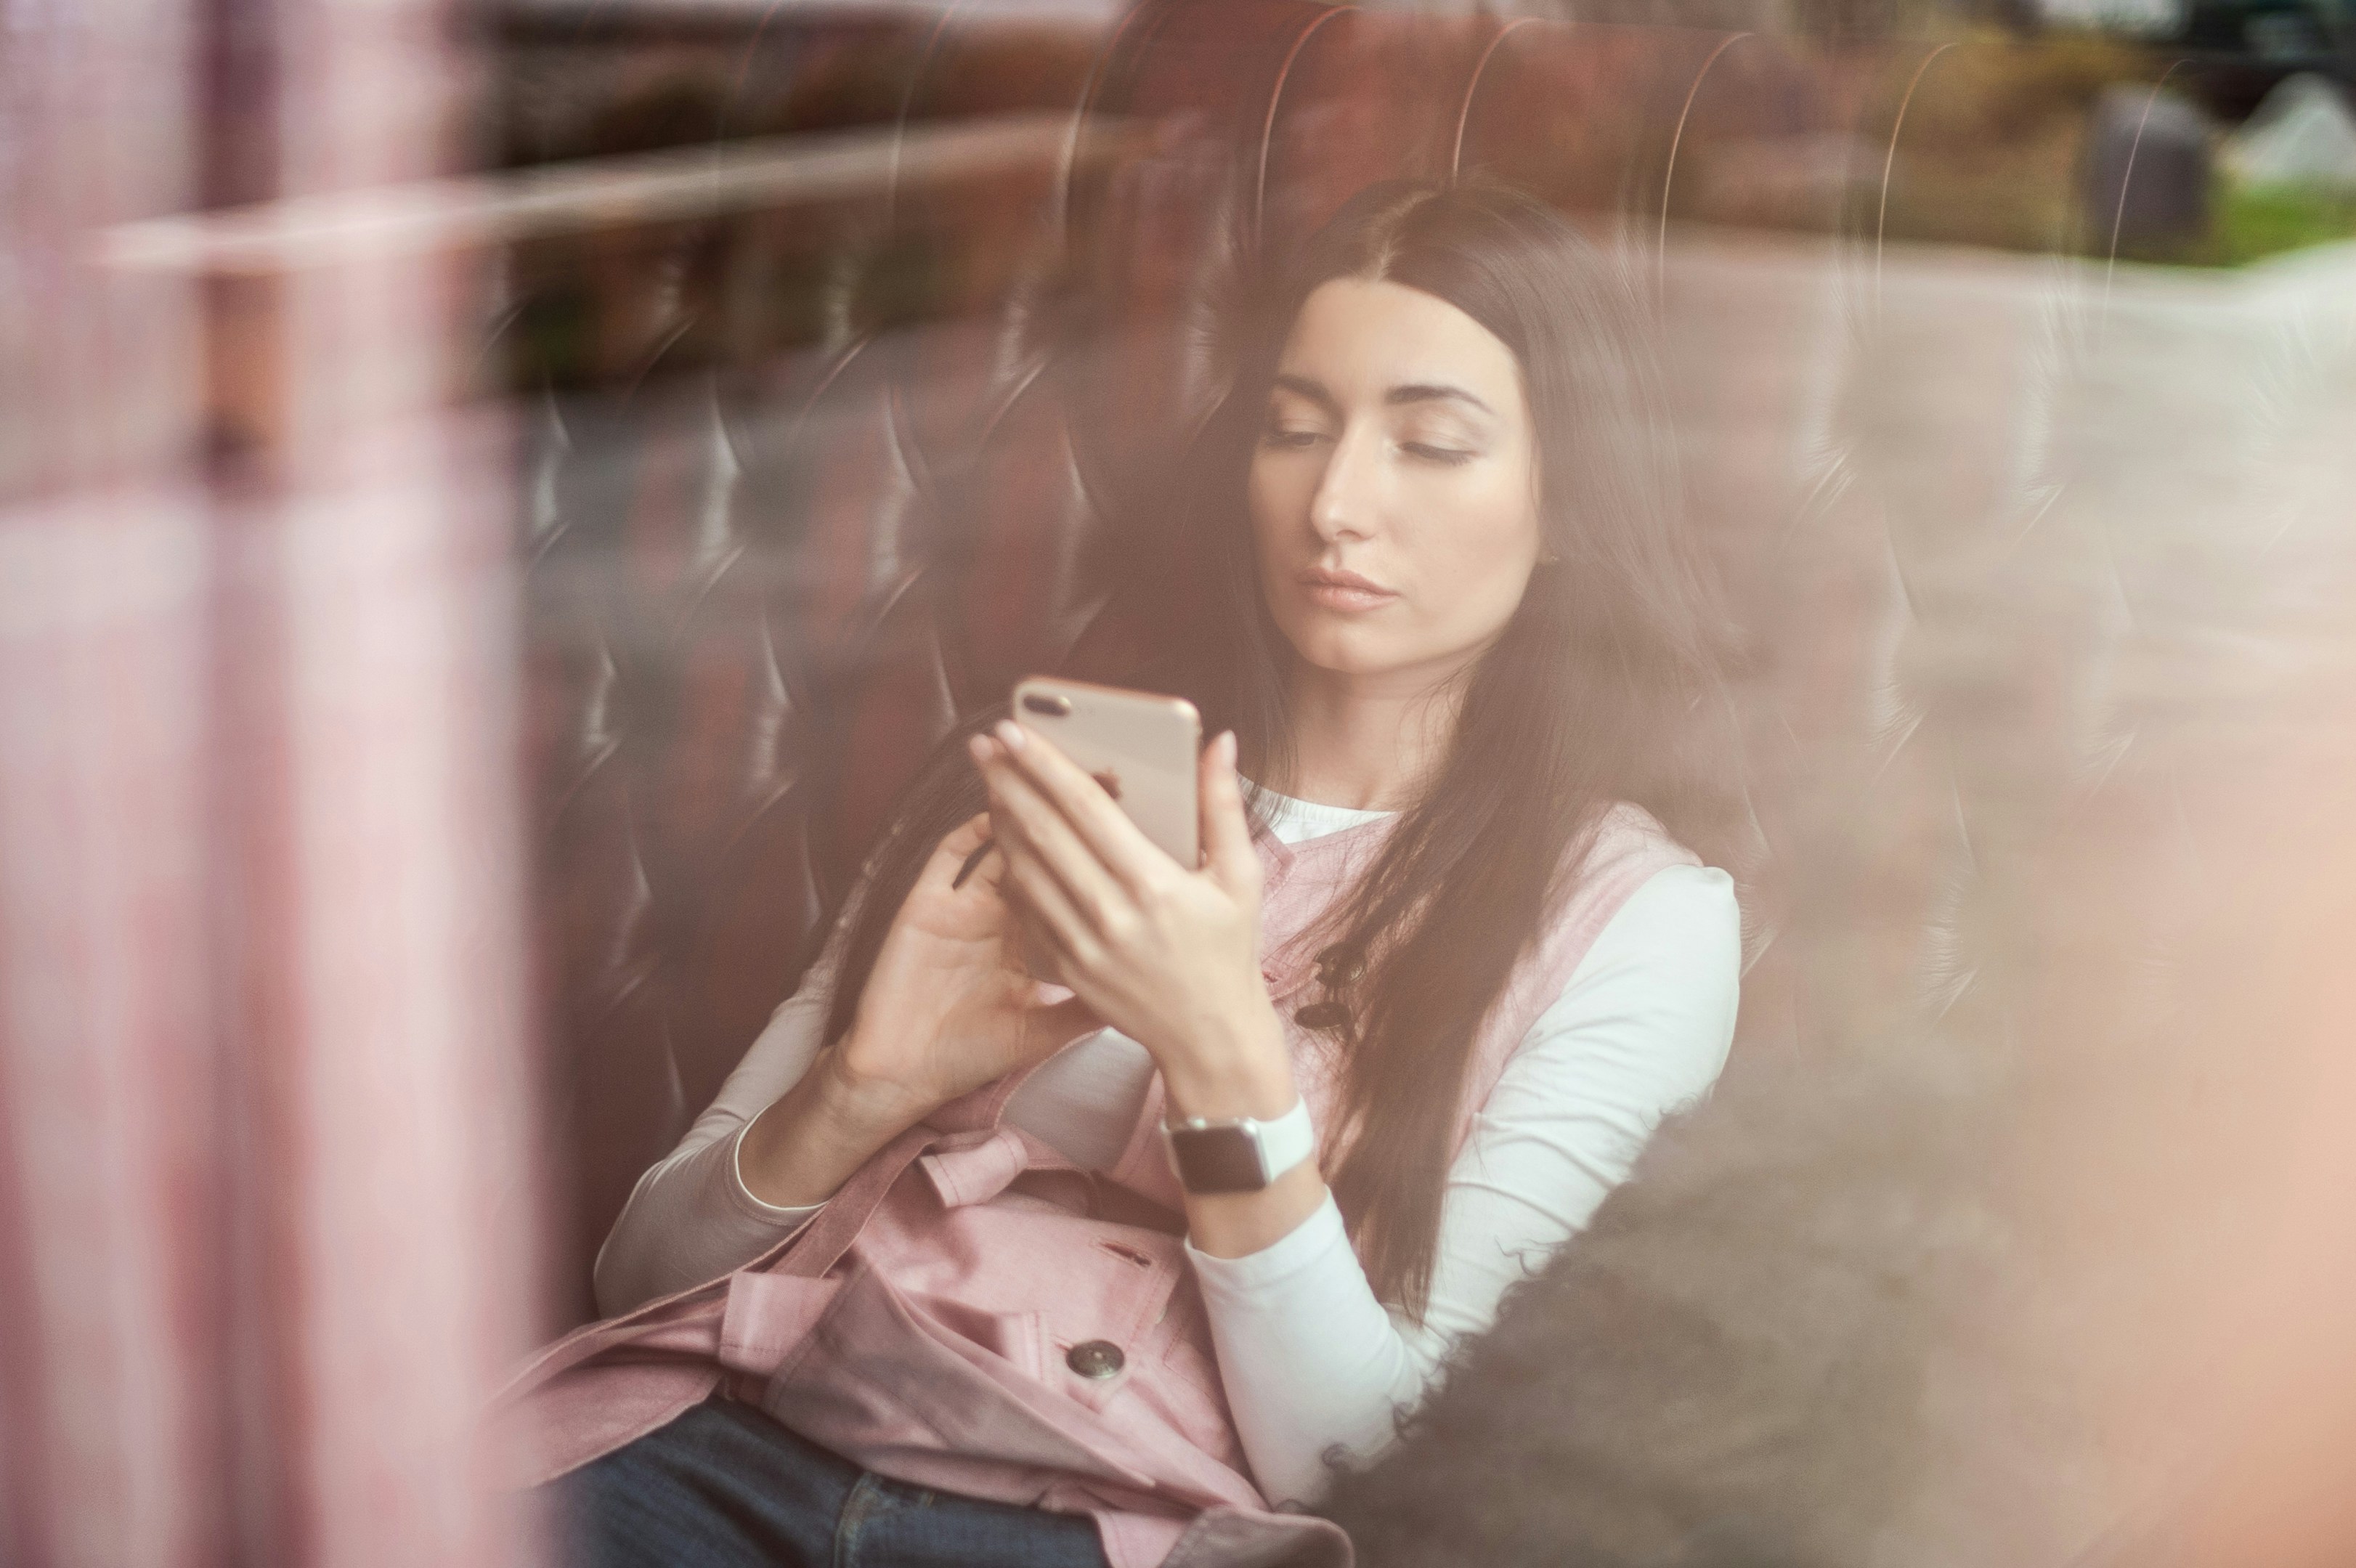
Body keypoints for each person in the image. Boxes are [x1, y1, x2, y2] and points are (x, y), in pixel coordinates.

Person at [514, 179, 1744, 1568]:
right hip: (734, 1446)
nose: (1337, 502)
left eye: (1432, 444)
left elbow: (1379, 1468)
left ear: (1567, 498)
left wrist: (1224, 1062)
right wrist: (866, 1087)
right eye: (1296, 430)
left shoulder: (1641, 925)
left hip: (1108, 1531)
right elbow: (640, 1280)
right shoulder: (1061, 771)